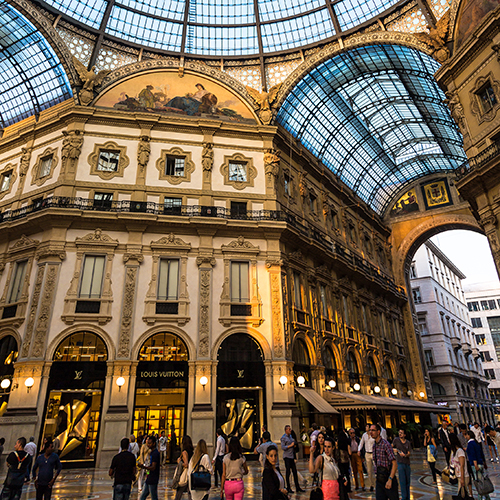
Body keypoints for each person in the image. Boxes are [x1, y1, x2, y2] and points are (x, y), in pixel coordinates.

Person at [370, 424, 398, 500]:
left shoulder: (385, 445)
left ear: (378, 432)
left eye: (373, 430)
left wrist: (390, 479)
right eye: (370, 430)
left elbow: (394, 463)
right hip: (379, 479)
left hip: (387, 477)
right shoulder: (374, 446)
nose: (371, 432)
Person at [309, 436, 342, 500]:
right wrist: (311, 453)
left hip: (336, 492)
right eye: (325, 446)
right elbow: (312, 470)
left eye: (329, 447)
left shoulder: (333, 460)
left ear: (333, 447)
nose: (326, 449)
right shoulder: (321, 458)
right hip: (326, 493)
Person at [280, 425, 304, 494]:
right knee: (288, 472)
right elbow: (283, 447)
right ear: (286, 430)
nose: (290, 430)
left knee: (294, 472)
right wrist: (290, 446)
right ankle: (288, 487)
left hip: (291, 456)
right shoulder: (283, 438)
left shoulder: (291, 437)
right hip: (287, 457)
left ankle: (297, 487)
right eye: (289, 429)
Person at [466, 431, 489, 500]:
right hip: (481, 463)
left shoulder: (470, 444)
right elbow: (481, 453)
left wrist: (475, 464)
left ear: (469, 435)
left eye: (466, 435)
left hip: (475, 465)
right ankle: (487, 497)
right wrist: (484, 463)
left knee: (478, 483)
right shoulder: (476, 443)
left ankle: (480, 498)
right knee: (482, 482)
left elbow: (473, 455)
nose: (466, 436)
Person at [392, 429, 411, 500]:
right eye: (399, 432)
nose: (400, 434)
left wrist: (405, 455)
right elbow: (390, 447)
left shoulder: (407, 442)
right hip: (400, 463)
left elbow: (409, 452)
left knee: (407, 482)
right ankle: (404, 497)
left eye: (402, 433)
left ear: (405, 435)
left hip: (407, 463)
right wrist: (396, 450)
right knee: (402, 481)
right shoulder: (396, 440)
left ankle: (408, 497)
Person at [139, 436, 160, 500]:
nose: (148, 445)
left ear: (154, 443)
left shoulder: (155, 453)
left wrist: (144, 467)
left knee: (153, 496)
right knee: (143, 496)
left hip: (153, 478)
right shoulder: (151, 452)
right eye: (148, 443)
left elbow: (153, 467)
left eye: (150, 443)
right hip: (149, 477)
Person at [450, 432, 470, 499]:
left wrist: (462, 479)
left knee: (463, 495)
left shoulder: (460, 451)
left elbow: (462, 465)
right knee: (462, 495)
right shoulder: (454, 452)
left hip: (463, 476)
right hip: (458, 476)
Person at [174, 435, 194, 500]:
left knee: (179, 492)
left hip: (185, 474)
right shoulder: (192, 452)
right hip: (190, 474)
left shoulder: (184, 452)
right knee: (190, 492)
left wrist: (179, 462)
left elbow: (186, 464)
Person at [359, 424, 375, 492]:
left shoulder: (373, 435)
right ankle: (372, 484)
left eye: (367, 427)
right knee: (369, 470)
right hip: (367, 453)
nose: (366, 428)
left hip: (373, 453)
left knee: (376, 468)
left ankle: (378, 483)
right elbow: (361, 443)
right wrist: (359, 450)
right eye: (366, 426)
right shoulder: (364, 435)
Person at [336, 429, 351, 494]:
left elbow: (336, 451)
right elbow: (349, 452)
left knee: (341, 474)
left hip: (340, 459)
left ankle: (342, 487)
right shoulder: (347, 442)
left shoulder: (338, 442)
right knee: (347, 473)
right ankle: (348, 487)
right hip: (346, 458)